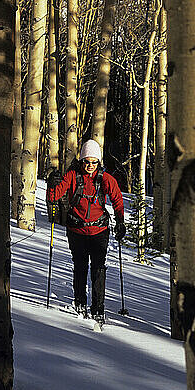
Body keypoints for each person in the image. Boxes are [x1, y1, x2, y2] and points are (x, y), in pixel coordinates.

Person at [46, 139, 126, 325]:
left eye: (94, 162)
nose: (90, 165)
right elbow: (53, 197)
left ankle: (98, 308)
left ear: (99, 162)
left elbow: (118, 200)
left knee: (98, 269)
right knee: (80, 266)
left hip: (99, 231)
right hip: (77, 230)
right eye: (86, 161)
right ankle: (80, 302)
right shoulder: (72, 175)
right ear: (81, 160)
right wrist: (52, 183)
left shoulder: (106, 179)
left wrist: (120, 222)